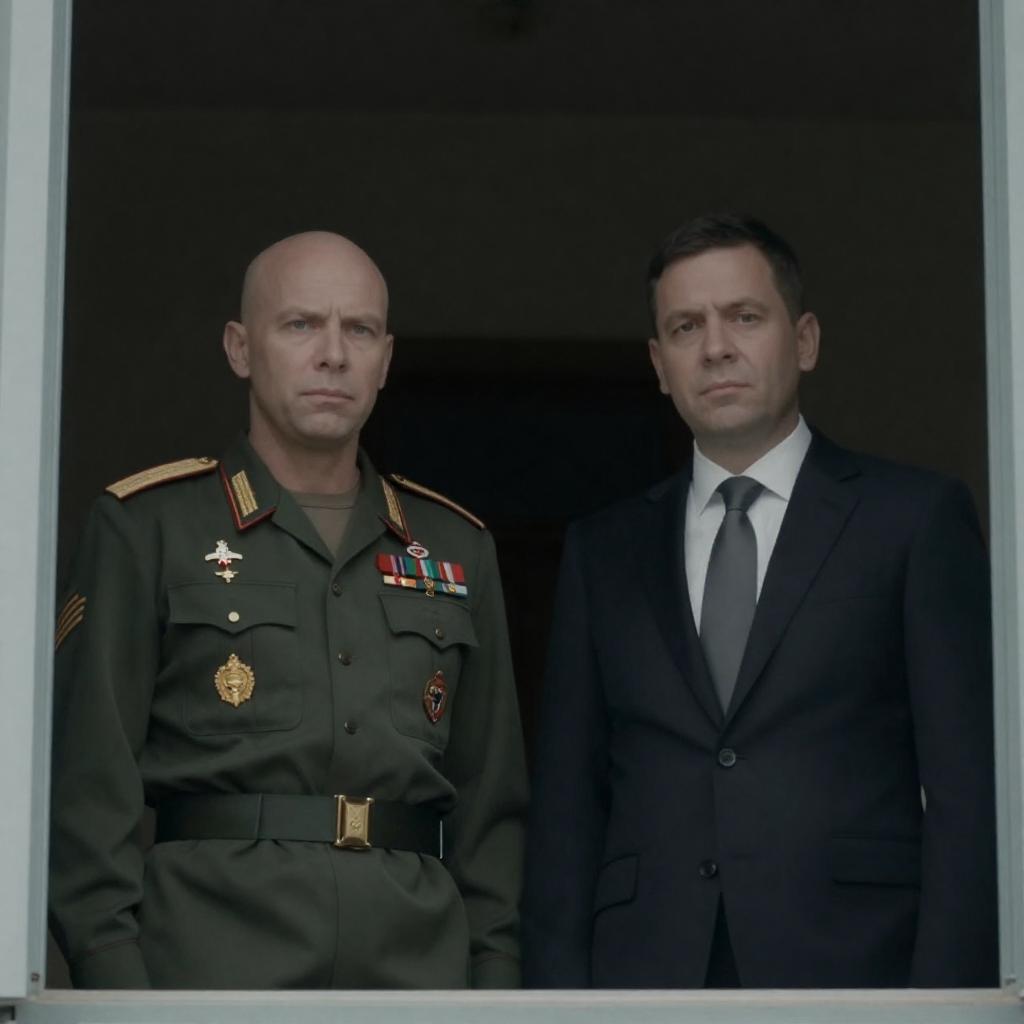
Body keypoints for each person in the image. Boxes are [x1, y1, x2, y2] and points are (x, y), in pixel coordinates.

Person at [522, 213, 997, 988]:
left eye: (745, 317)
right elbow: (566, 814)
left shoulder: (913, 520)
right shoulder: (601, 552)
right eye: (686, 327)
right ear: (659, 364)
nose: (715, 347)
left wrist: (947, 1002)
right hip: (647, 978)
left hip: (857, 973)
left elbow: (968, 795)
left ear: (804, 340)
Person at [49, 231, 527, 990]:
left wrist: (494, 984)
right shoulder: (147, 527)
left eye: (359, 330)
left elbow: (491, 802)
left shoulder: (454, 544)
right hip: (210, 959)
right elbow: (87, 792)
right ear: (240, 348)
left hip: (416, 966)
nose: (333, 354)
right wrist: (117, 992)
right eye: (301, 324)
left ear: (385, 360)